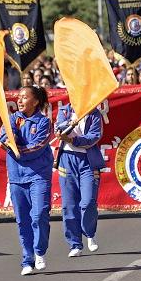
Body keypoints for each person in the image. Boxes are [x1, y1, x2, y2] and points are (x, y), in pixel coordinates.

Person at [0, 86, 53, 276]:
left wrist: (16, 151)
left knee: (39, 215)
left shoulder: (44, 122)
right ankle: (27, 259)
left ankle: (39, 252)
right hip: (17, 177)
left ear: (36, 101)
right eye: (18, 97)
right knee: (23, 220)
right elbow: (6, 137)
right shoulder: (12, 118)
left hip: (38, 174)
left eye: (24, 97)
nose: (19, 100)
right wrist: (10, 143)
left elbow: (37, 147)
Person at [56, 103, 104, 257]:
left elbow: (94, 137)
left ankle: (89, 233)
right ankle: (75, 244)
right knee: (69, 204)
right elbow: (58, 128)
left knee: (88, 201)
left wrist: (73, 140)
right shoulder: (64, 110)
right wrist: (69, 123)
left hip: (88, 161)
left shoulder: (95, 114)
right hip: (67, 160)